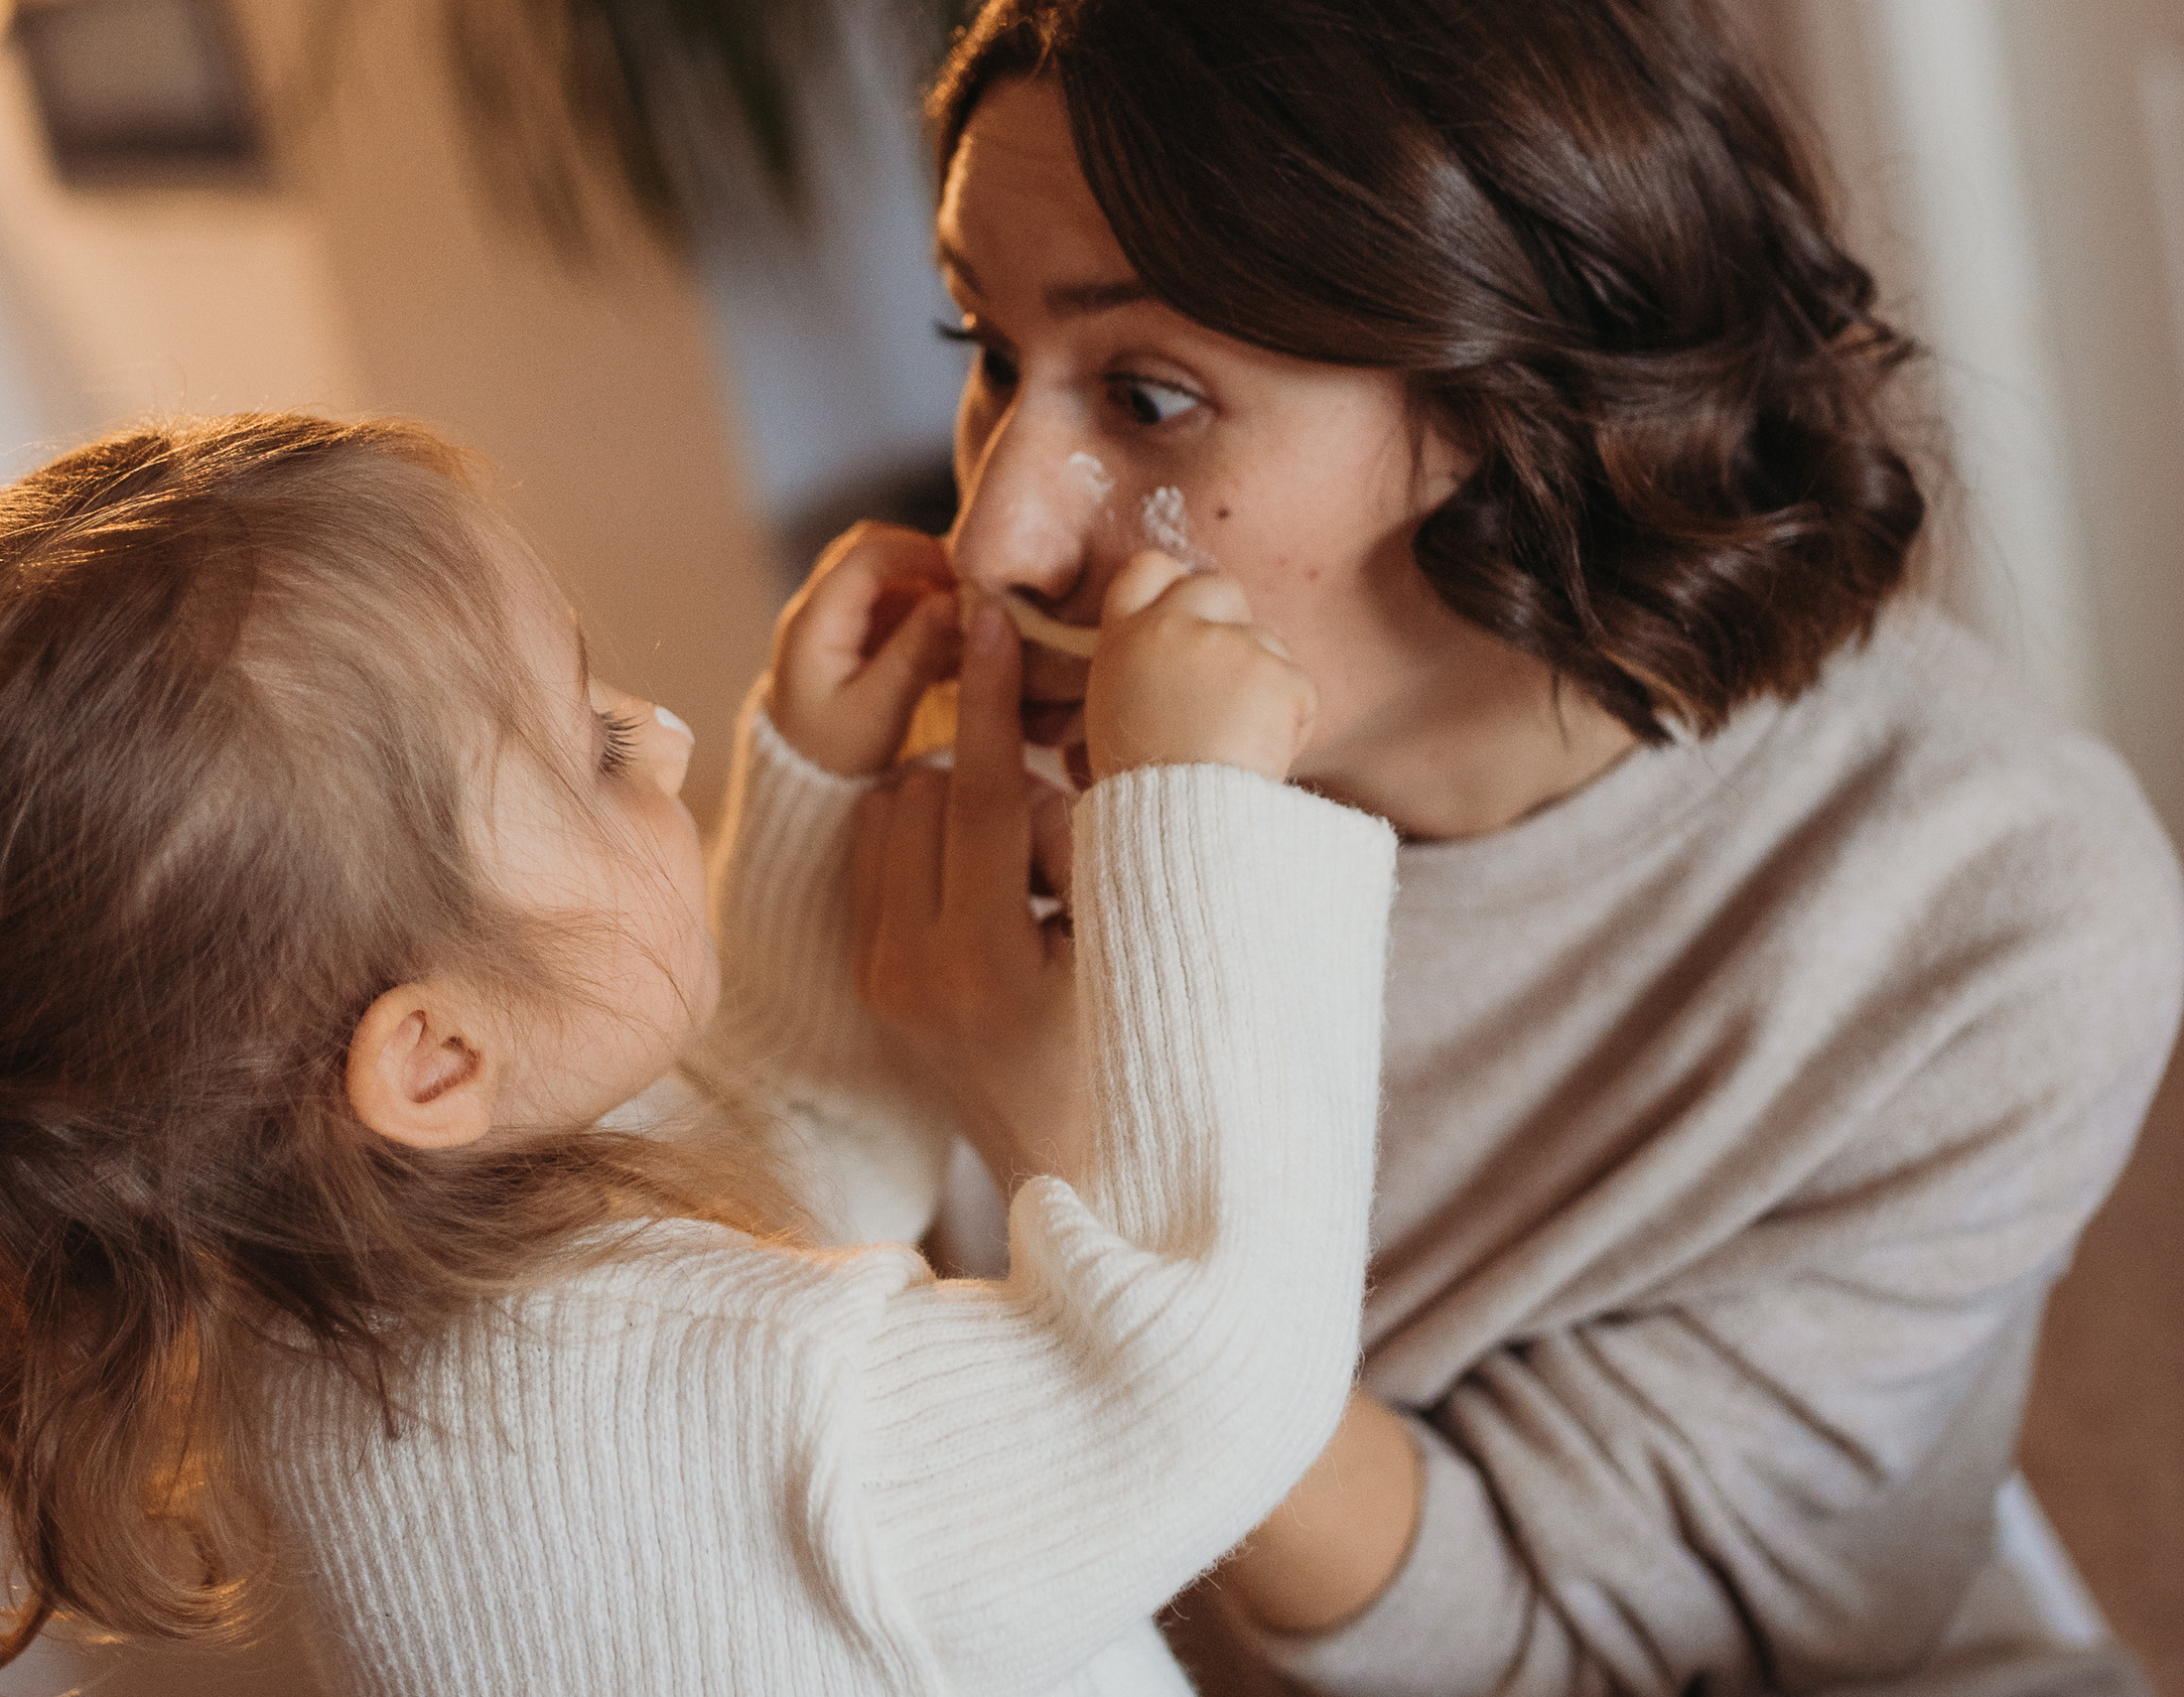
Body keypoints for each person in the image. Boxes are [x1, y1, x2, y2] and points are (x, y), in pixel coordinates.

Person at [788, 1, 2184, 1693]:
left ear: (1513, 394)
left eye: (1149, 395)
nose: (993, 537)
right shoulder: (1001, 766)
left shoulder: (1986, 912)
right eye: (992, 355)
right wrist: (790, 850)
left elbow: (1553, 1641)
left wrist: (1094, 1173)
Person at [0, 412, 1399, 1696]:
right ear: (429, 1060)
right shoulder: (721, 1405)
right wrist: (1198, 813)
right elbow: (1199, 1384)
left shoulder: (332, 1303)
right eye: (590, 748)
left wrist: (814, 784)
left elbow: (765, 1169)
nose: (666, 732)